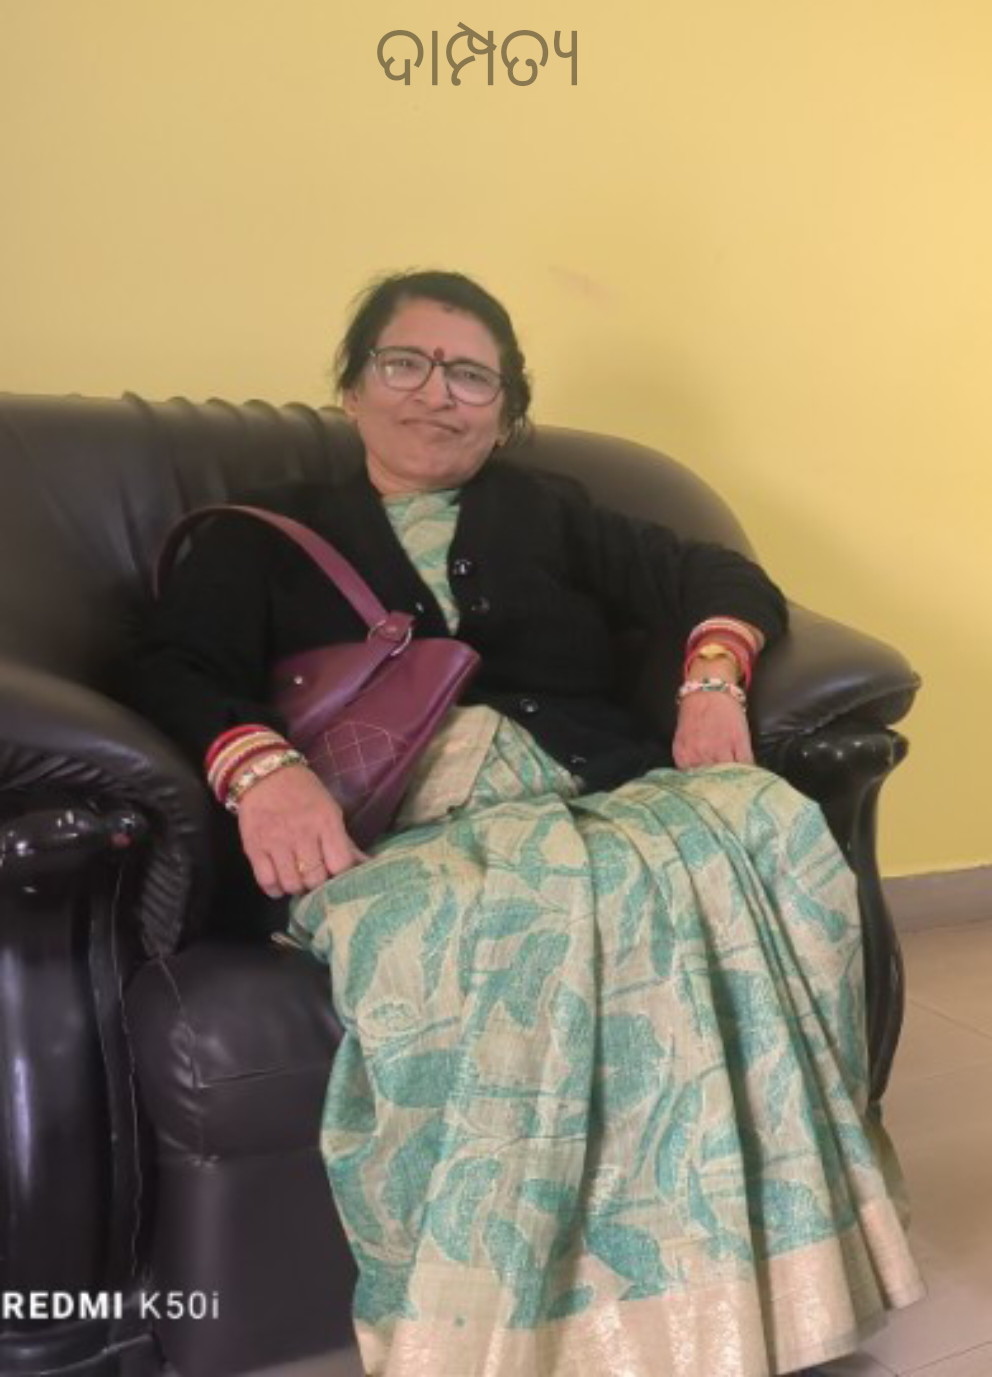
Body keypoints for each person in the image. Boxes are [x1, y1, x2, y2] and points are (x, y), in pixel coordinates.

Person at [132, 270, 923, 1376]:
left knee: (766, 821)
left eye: (471, 376)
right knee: (523, 920)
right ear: (353, 388)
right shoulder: (263, 532)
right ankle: (524, 1336)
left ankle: (775, 1294)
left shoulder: (546, 509)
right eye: (404, 363)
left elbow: (713, 573)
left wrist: (709, 680)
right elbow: (174, 666)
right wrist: (262, 770)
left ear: (503, 412)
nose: (435, 393)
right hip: (403, 829)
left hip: (601, 788)